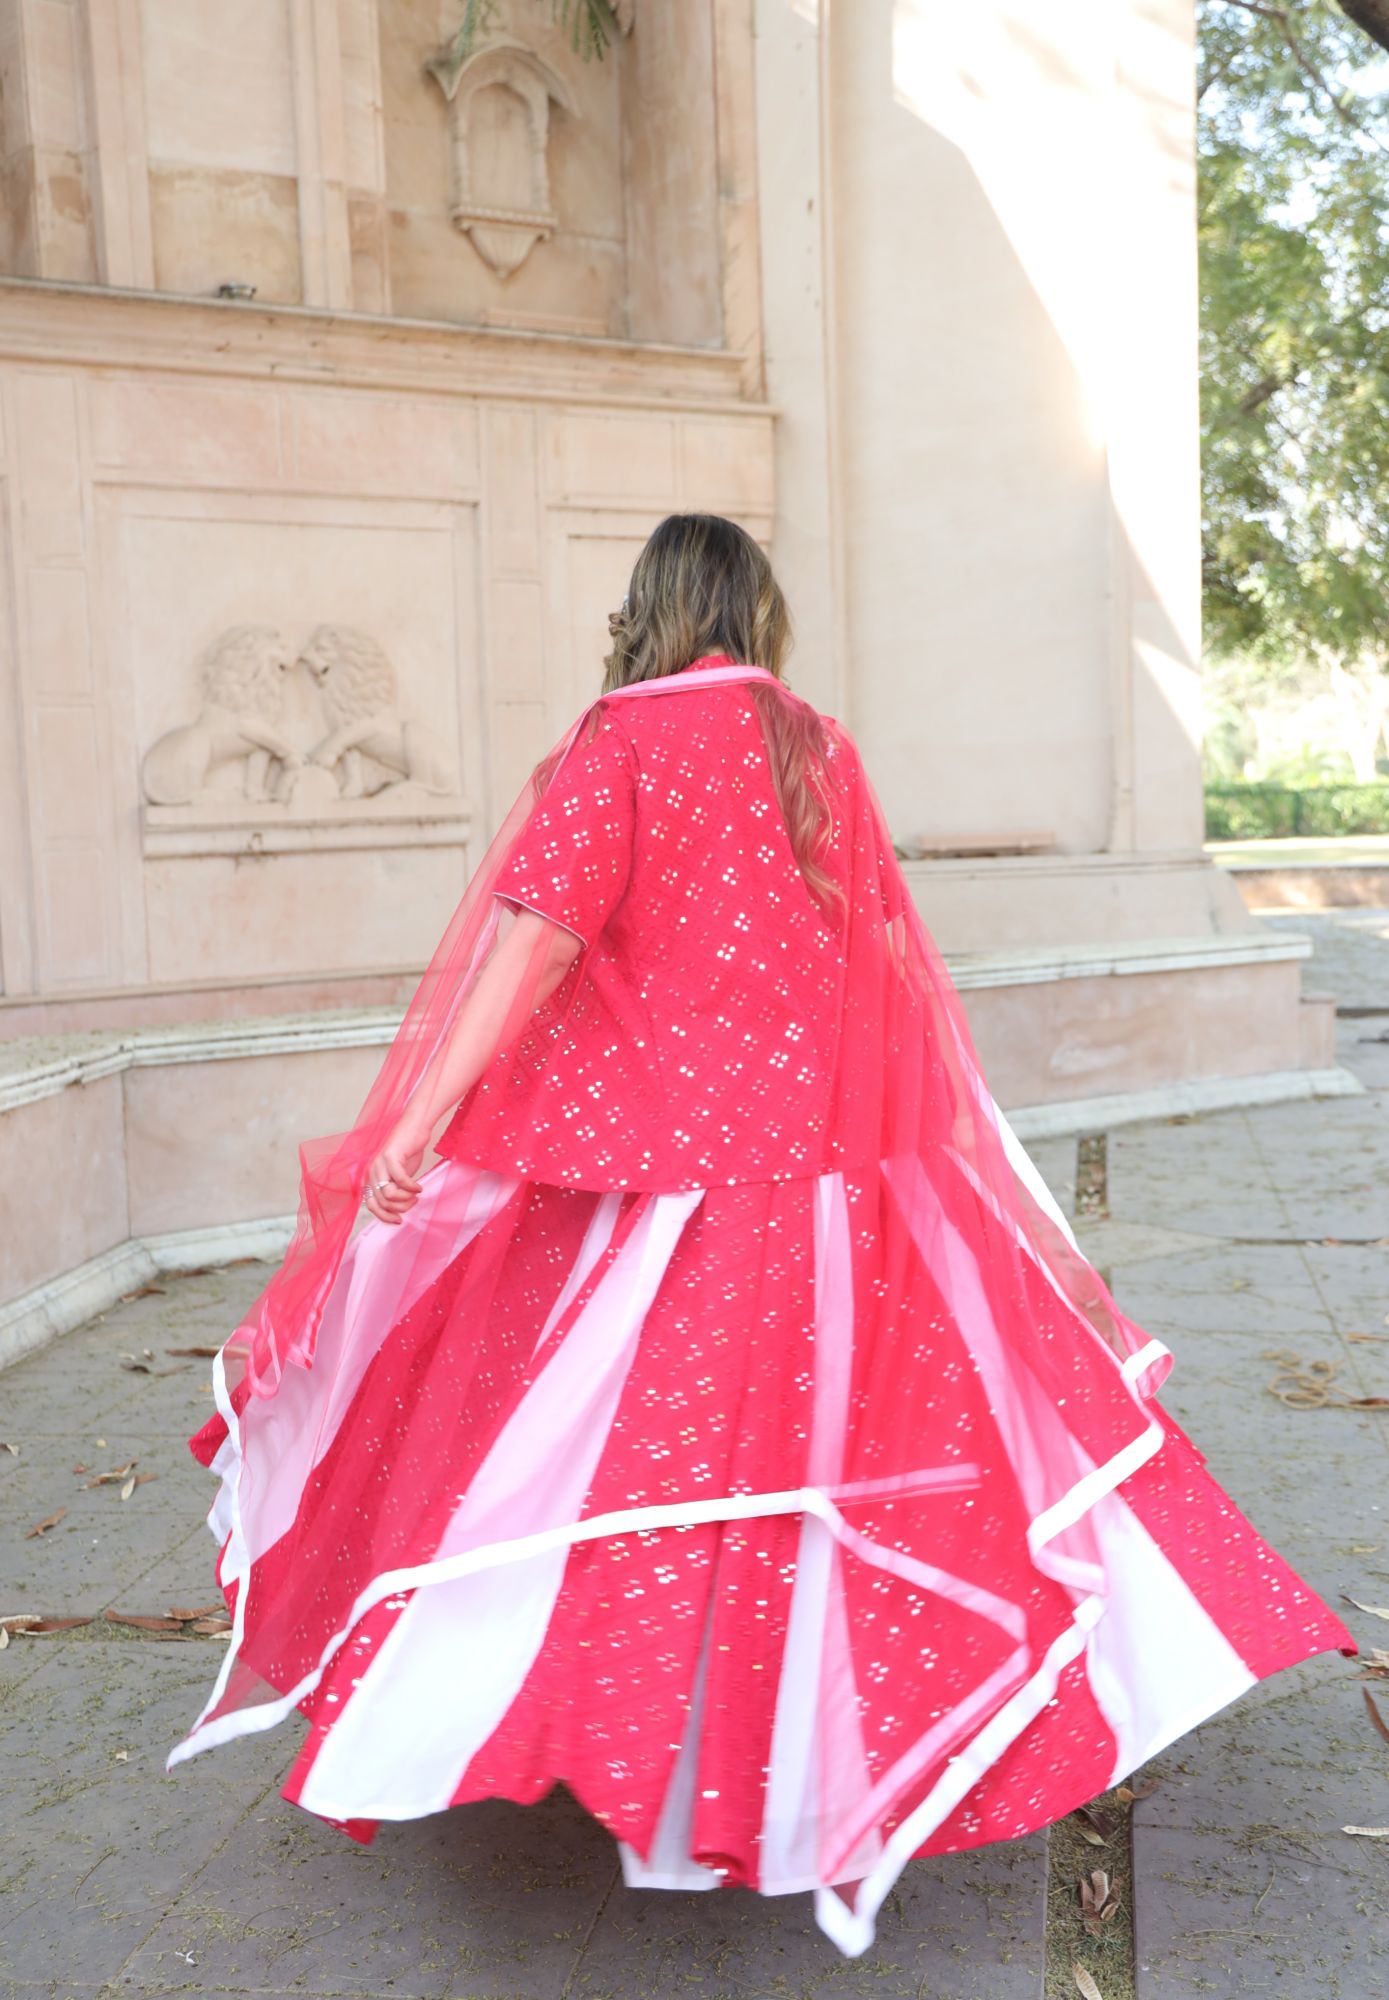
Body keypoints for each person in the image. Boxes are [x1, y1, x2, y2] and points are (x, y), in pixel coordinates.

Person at [165, 512, 1353, 1956]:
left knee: (591, 1462)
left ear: (648, 608)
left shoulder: (619, 742)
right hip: (830, 1171)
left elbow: (534, 941)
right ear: (755, 612)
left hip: (663, 1181)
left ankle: (637, 1752)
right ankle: (788, 1760)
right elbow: (870, 961)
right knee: (837, 1461)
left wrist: (422, 1116)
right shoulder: (813, 749)